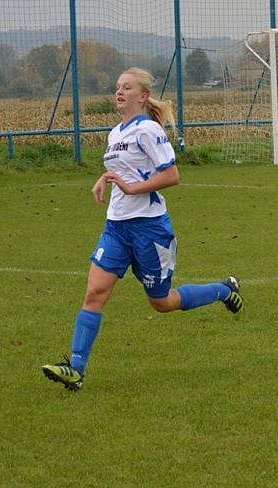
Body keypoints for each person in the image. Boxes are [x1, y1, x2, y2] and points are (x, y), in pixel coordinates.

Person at [42, 68, 243, 391]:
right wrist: (104, 178)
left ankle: (223, 290)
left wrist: (133, 189)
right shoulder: (115, 133)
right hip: (117, 228)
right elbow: (125, 172)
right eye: (117, 86)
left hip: (150, 229)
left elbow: (171, 175)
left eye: (127, 87)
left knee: (161, 302)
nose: (119, 91)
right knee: (94, 293)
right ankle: (75, 368)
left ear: (143, 95)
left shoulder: (148, 130)